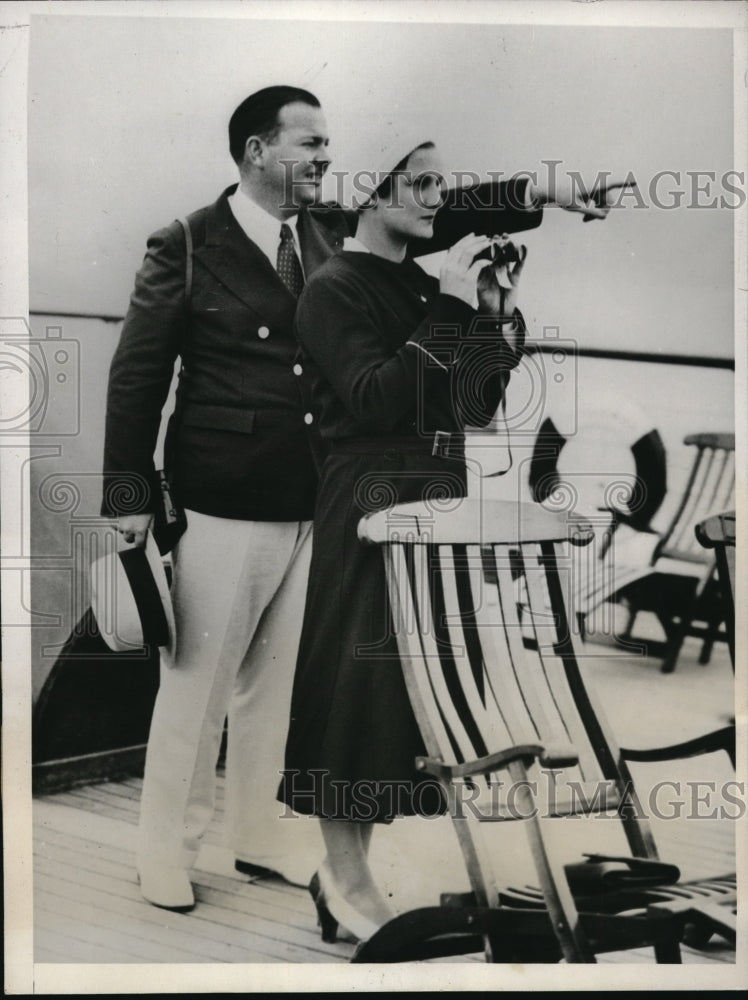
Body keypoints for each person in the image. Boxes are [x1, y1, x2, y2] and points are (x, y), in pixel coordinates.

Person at [102, 83, 624, 912]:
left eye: (328, 143)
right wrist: (128, 492)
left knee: (280, 688)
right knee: (196, 686)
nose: (325, 156)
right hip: (227, 493)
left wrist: (551, 191)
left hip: (324, 496)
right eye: (309, 143)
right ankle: (167, 852)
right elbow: (138, 372)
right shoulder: (191, 244)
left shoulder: (327, 230)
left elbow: (442, 205)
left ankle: (260, 838)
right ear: (256, 151)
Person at [278, 136, 530, 939]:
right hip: (368, 500)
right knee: (355, 686)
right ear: (371, 192)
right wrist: (452, 309)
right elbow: (376, 399)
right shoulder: (332, 287)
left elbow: (475, 407)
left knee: (401, 694)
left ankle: (345, 874)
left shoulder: (423, 284)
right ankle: (345, 877)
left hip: (435, 497)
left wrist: (491, 318)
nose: (436, 199)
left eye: (439, 185)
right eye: (420, 184)